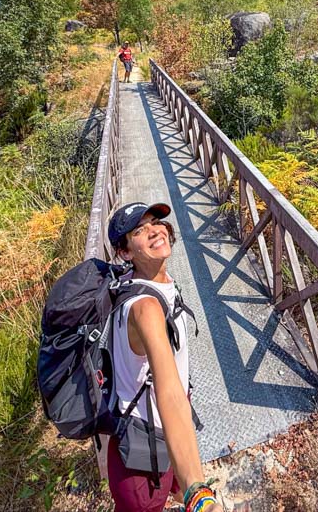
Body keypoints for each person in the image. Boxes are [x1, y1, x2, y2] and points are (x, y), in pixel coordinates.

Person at [106, 201, 223, 512]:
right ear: (125, 252)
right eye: (139, 231)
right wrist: (199, 494)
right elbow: (169, 394)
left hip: (160, 437)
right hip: (144, 460)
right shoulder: (145, 308)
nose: (155, 231)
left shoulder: (154, 282)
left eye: (155, 222)